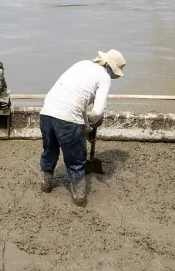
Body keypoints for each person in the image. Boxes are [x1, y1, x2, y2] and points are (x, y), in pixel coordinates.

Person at [39, 50, 126, 207]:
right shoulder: (104, 77)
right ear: (111, 69)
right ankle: (79, 199)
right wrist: (94, 122)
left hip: (46, 113)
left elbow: (77, 103)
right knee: (76, 161)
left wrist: (86, 130)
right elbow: (97, 112)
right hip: (68, 120)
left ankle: (45, 186)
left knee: (49, 151)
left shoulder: (82, 64)